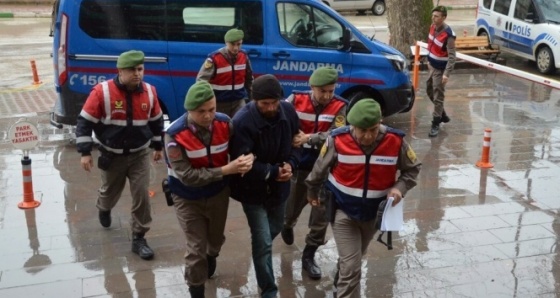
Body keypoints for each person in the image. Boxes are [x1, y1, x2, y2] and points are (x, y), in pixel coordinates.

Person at [305, 99, 421, 298]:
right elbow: (318, 171)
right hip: (343, 211)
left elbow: (412, 169)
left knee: (354, 259)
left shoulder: (396, 141)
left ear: (381, 122)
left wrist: (399, 188)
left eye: (373, 130)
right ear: (352, 126)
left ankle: (340, 280)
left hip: (373, 215)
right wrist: (312, 192)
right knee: (352, 266)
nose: (368, 136)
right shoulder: (337, 140)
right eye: (362, 131)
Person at [164, 81, 254, 298]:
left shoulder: (225, 124)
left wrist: (247, 159)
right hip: (187, 197)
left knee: (214, 241)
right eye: (201, 112)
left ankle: (212, 255)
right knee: (196, 250)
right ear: (189, 110)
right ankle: (196, 289)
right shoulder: (174, 135)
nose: (208, 116)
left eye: (212, 109)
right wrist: (227, 169)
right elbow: (188, 176)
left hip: (217, 194)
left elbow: (241, 147)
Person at [76, 50, 164, 260]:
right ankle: (104, 208)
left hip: (139, 155)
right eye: (132, 70)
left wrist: (158, 147)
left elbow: (157, 121)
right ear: (120, 71)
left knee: (141, 195)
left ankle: (139, 238)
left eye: (140, 69)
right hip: (112, 156)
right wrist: (85, 152)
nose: (137, 74)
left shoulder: (150, 92)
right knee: (109, 193)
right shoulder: (102, 92)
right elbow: (84, 122)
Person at [229, 74, 301, 298]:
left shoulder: (288, 112)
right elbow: (242, 162)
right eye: (264, 104)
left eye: (274, 103)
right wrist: (272, 172)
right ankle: (268, 290)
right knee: (262, 242)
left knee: (275, 228)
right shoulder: (242, 122)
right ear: (254, 101)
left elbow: (296, 142)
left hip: (280, 189)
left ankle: (262, 251)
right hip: (252, 191)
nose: (270, 108)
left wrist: (290, 164)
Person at [280, 67, 348, 280]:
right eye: (322, 91)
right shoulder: (295, 99)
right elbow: (282, 122)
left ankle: (309, 254)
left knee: (320, 216)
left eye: (330, 90)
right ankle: (288, 224)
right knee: (292, 207)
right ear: (312, 88)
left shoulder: (340, 105)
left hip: (324, 169)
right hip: (298, 168)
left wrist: (309, 138)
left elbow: (337, 134)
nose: (327, 95)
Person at [197, 28, 253, 118]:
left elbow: (249, 80)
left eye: (239, 44)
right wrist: (207, 101)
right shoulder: (215, 58)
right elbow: (201, 81)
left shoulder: (244, 56)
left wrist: (252, 99)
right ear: (226, 43)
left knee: (241, 125)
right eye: (232, 44)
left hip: (238, 101)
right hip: (219, 103)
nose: (236, 48)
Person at [426, 5, 456, 137]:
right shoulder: (432, 27)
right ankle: (442, 114)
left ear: (444, 17)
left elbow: (452, 56)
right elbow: (430, 44)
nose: (433, 18)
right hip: (432, 65)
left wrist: (446, 74)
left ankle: (435, 123)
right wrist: (428, 59)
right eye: (433, 15)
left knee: (438, 96)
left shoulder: (449, 35)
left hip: (440, 69)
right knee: (429, 90)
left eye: (437, 16)